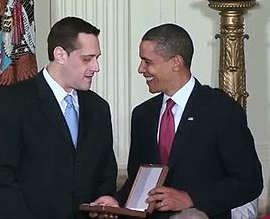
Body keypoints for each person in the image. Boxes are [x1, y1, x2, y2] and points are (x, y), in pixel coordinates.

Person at [91, 23, 263, 219]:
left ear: (176, 62)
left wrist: (191, 198)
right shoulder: (143, 115)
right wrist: (116, 201)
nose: (141, 69)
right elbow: (137, 182)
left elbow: (249, 182)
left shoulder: (221, 110)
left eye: (147, 62)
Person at [0, 16, 117, 219]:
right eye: (87, 59)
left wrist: (106, 197)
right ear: (60, 54)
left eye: (97, 58)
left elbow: (106, 171)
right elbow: (0, 178)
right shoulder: (12, 102)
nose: (95, 67)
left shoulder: (99, 108)